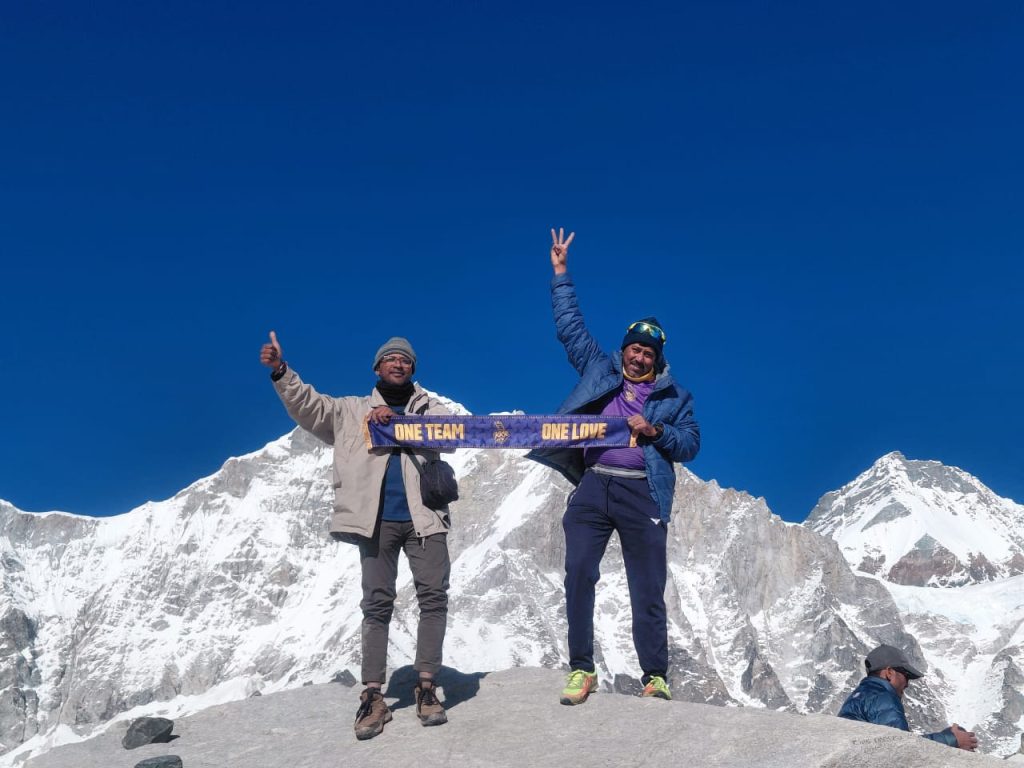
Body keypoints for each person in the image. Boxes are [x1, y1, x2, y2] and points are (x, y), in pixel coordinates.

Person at [527, 229, 701, 705]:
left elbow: (690, 444)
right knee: (578, 573)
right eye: (634, 348)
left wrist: (656, 431)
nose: (639, 356)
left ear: (657, 360)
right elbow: (571, 329)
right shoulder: (598, 370)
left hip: (642, 492)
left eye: (648, 353)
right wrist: (560, 274)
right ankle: (581, 669)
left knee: (647, 586)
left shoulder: (675, 397)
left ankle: (655, 677)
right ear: (623, 349)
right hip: (593, 486)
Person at [260, 331, 453, 740]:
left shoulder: (431, 408)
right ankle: (373, 695)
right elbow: (308, 406)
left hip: (426, 518)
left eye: (406, 360)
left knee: (434, 598)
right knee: (377, 605)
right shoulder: (350, 411)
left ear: (413, 370)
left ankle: (426, 686)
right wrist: (280, 372)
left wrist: (399, 424)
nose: (398, 364)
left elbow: (451, 433)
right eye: (391, 359)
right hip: (375, 521)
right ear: (377, 368)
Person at [838, 644, 978, 750]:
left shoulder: (857, 696)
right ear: (889, 672)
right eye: (906, 675)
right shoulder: (883, 697)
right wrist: (952, 740)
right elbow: (901, 747)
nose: (907, 684)